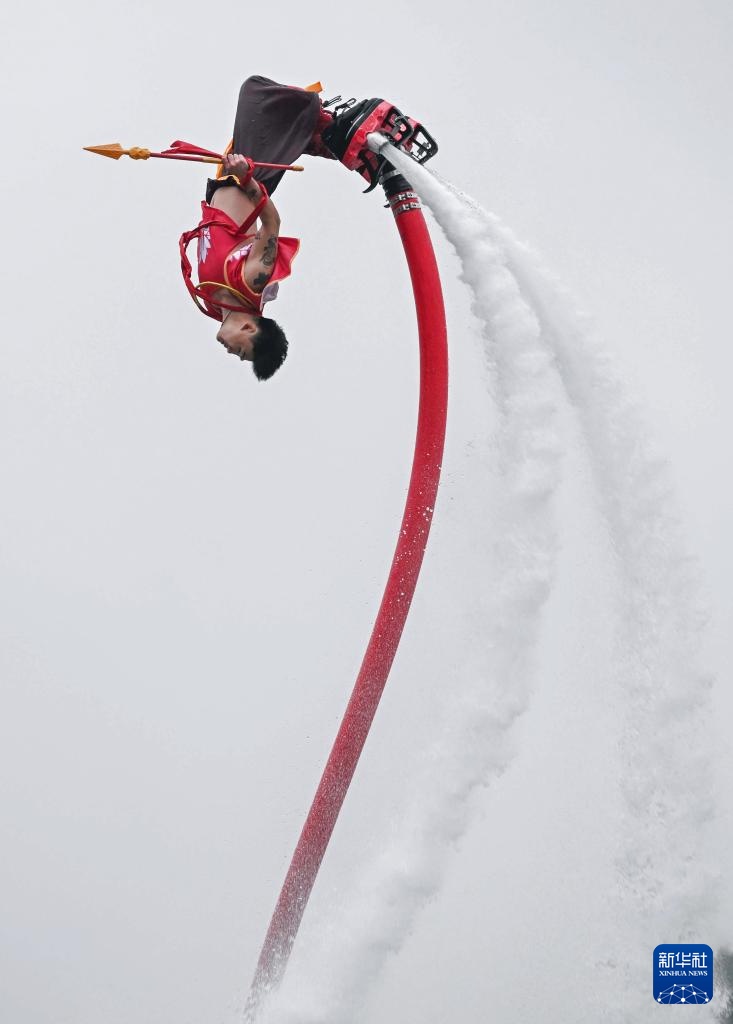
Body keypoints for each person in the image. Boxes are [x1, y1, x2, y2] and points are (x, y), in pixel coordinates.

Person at [179, 76, 336, 380]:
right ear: (250, 327)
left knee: (258, 102)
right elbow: (272, 224)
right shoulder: (250, 281)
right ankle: (317, 121)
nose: (232, 354)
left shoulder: (214, 304)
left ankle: (305, 129)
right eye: (241, 352)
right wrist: (246, 177)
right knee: (253, 91)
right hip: (252, 174)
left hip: (226, 177)